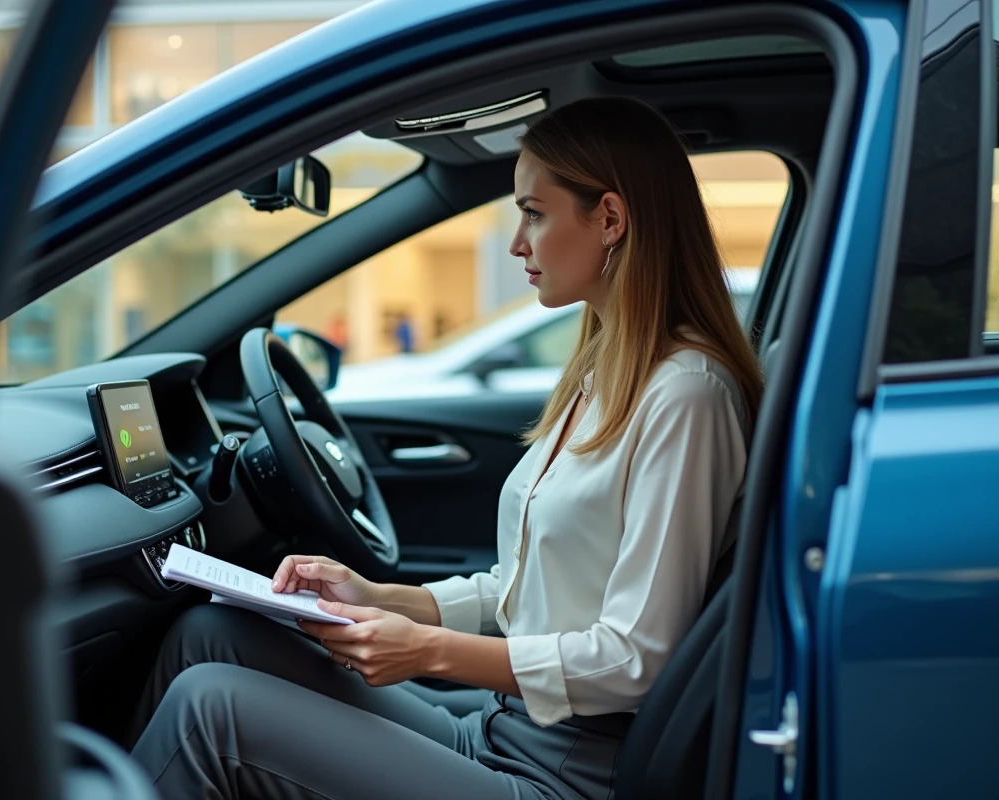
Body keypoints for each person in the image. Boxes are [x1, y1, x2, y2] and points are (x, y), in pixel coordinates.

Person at [127, 96, 764, 800]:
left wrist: (428, 651)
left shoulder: (688, 395)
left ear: (610, 218)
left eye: (535, 213)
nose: (518, 243)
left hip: (566, 774)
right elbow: (531, 590)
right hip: (500, 731)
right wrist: (381, 598)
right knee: (211, 634)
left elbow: (638, 658)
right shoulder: (602, 369)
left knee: (208, 713)